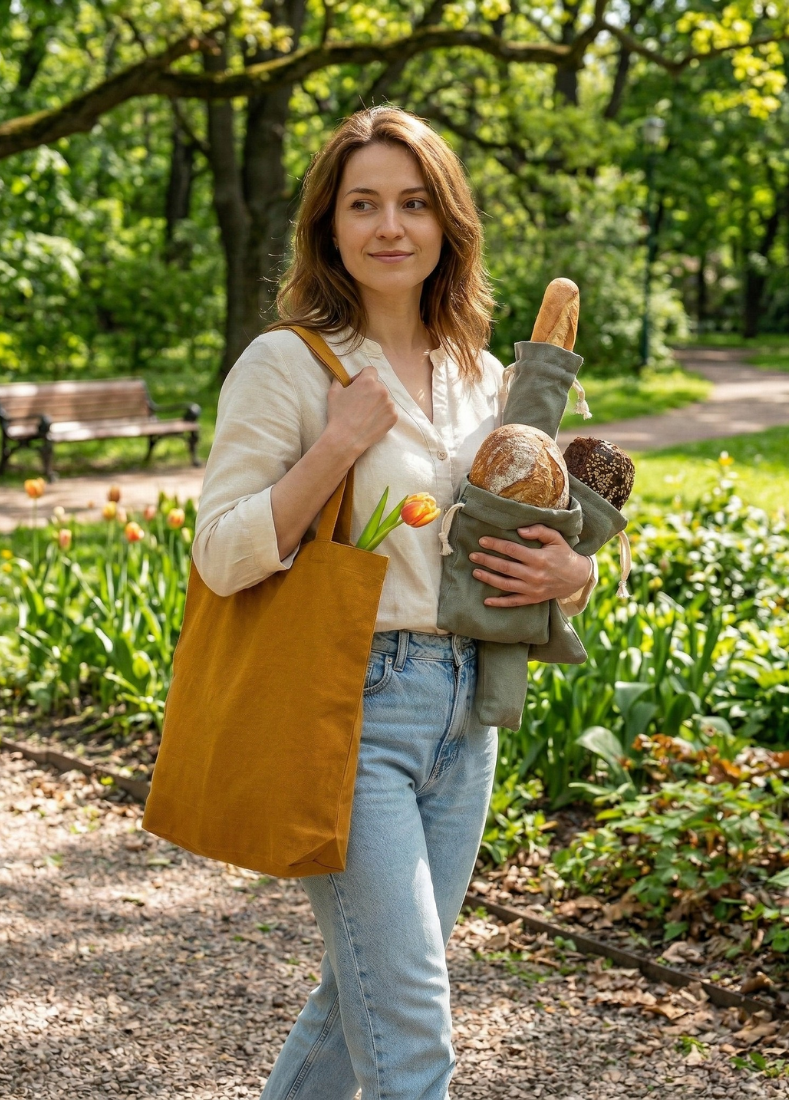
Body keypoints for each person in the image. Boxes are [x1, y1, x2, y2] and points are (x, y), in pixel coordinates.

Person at [193, 106, 596, 1100]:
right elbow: (219, 553)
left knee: (360, 994)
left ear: (445, 224)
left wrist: (573, 576)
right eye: (362, 203)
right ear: (328, 226)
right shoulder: (285, 363)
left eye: (413, 204)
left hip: (469, 711)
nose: (388, 226)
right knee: (413, 1029)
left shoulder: (483, 376)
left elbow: (531, 532)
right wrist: (334, 443)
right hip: (351, 707)